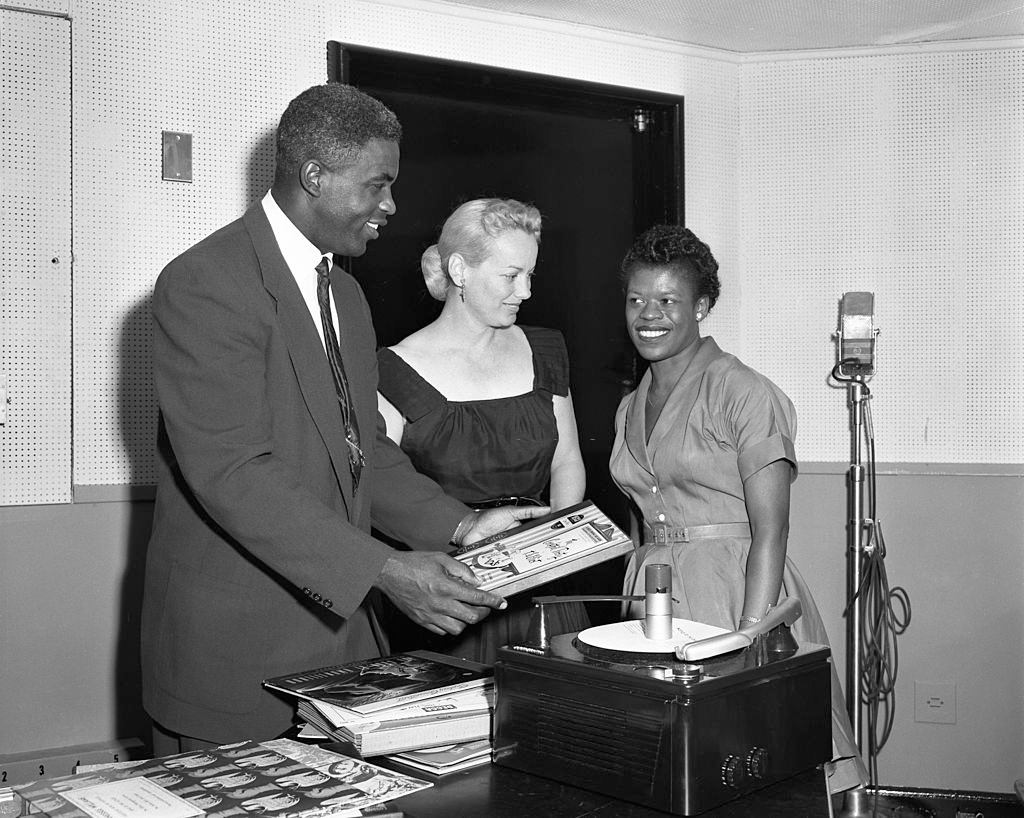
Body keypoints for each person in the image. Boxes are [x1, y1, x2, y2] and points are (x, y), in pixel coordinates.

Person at [141, 84, 546, 753]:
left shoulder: (348, 297)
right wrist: (384, 570)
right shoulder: (206, 281)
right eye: (377, 186)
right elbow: (233, 471)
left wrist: (462, 523)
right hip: (230, 665)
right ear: (313, 177)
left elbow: (368, 453)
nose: (391, 206)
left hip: (342, 655)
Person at [609, 224, 867, 794]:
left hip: (734, 590)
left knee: (749, 758)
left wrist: (749, 636)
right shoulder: (629, 405)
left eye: (668, 300)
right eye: (636, 299)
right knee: (674, 768)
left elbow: (773, 530)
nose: (648, 314)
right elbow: (647, 513)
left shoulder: (745, 392)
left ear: (701, 306)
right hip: (651, 593)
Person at [376, 198, 588, 663]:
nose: (526, 292)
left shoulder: (544, 349)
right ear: (459, 270)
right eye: (511, 275)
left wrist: (560, 548)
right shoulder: (392, 370)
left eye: (531, 275)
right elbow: (379, 492)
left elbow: (567, 458)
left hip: (546, 596)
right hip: (452, 603)